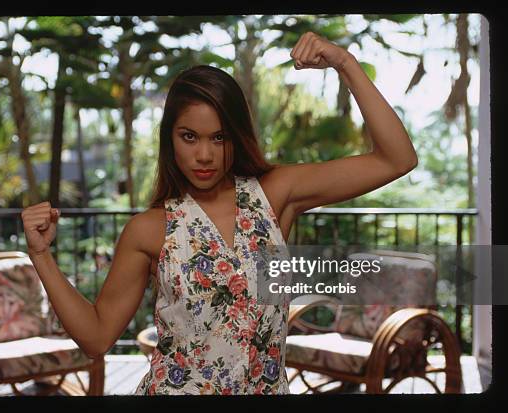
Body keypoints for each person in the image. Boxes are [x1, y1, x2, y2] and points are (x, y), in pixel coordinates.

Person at [21, 31, 418, 395]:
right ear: (170, 140)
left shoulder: (275, 195)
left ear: (236, 136)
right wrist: (41, 255)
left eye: (219, 137)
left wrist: (344, 63)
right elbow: (96, 338)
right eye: (189, 137)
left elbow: (396, 159)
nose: (205, 155)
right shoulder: (149, 229)